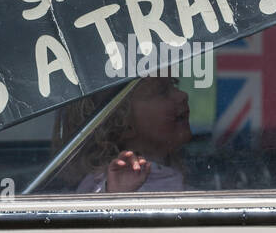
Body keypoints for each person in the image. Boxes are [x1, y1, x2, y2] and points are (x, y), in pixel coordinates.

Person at [54, 77, 192, 193]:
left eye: (173, 84)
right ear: (123, 124)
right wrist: (116, 194)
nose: (182, 95)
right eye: (162, 92)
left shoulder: (178, 166)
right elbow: (98, 215)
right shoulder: (115, 181)